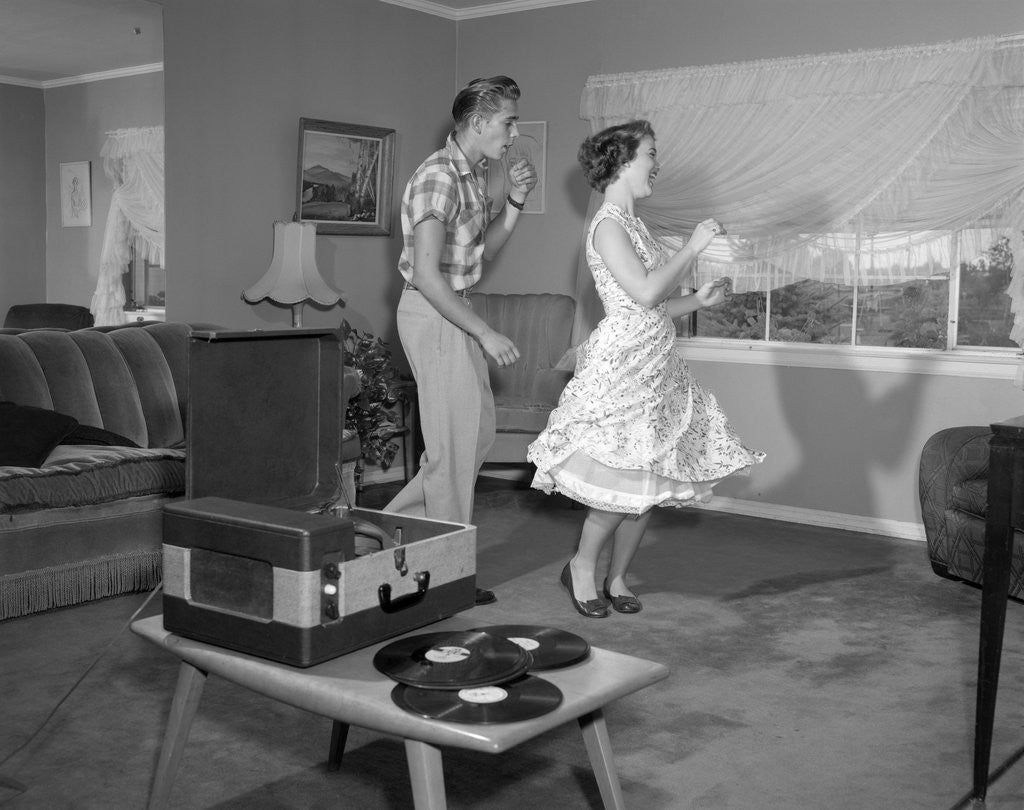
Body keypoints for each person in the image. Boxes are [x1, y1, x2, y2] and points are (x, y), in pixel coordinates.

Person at [528, 119, 764, 618]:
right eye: (651, 153)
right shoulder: (607, 226)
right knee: (621, 482)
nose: (657, 163)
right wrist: (693, 247)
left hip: (656, 366)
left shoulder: (635, 225)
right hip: (623, 367)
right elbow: (644, 291)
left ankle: (617, 577)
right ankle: (580, 568)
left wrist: (697, 300)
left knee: (650, 479)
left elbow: (654, 306)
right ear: (622, 160)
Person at [385, 76, 538, 605]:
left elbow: (483, 251)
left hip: (454, 309)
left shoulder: (471, 175)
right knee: (451, 452)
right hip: (434, 312)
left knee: (470, 439)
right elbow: (428, 276)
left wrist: (516, 200)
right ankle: (447, 577)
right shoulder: (438, 176)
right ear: (477, 121)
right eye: (508, 122)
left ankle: (383, 539)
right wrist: (484, 331)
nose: (513, 134)